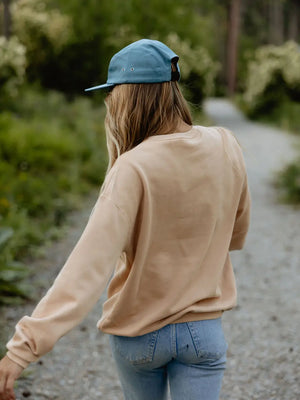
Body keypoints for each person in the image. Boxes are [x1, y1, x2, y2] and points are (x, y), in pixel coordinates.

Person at [0, 39, 251, 400]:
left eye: (112, 94)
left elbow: (86, 268)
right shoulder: (226, 144)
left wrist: (22, 349)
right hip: (203, 332)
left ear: (126, 99)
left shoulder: (131, 168)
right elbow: (236, 234)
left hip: (140, 336)